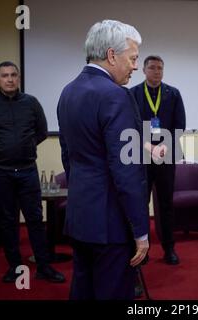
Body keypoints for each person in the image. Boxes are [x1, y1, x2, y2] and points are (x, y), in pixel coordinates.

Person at [57, 20, 149, 300]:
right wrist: (141, 231)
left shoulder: (68, 91)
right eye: (133, 59)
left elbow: (68, 157)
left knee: (83, 290)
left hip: (81, 215)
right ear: (112, 55)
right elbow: (127, 170)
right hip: (111, 224)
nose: (135, 66)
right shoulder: (116, 96)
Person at [0, 61, 65, 284]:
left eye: (13, 75)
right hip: (0, 172)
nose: (10, 79)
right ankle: (14, 267)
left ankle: (43, 267)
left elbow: (41, 131)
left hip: (26, 171)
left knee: (34, 219)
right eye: (5, 75)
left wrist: (28, 145)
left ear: (19, 78)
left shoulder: (31, 103)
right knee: (7, 220)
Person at [130, 55, 186, 265]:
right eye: (152, 68)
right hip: (141, 157)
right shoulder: (133, 94)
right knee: (140, 204)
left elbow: (179, 125)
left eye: (160, 68)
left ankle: (169, 248)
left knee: (166, 204)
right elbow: (130, 126)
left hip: (166, 156)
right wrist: (148, 147)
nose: (157, 72)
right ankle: (142, 250)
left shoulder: (173, 94)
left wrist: (165, 146)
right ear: (144, 70)